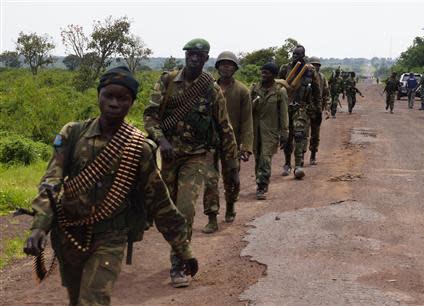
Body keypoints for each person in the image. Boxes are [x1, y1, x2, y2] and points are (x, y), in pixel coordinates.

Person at [23, 66, 198, 305]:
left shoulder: (138, 147)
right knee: (76, 298)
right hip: (69, 234)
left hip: (111, 236)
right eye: (109, 95)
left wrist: (183, 249)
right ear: (98, 96)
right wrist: (39, 227)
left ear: (132, 102)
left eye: (122, 98)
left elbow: (159, 202)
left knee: (93, 300)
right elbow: (51, 182)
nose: (114, 103)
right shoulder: (72, 133)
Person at [143, 38, 239, 287]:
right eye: (190, 54)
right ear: (185, 55)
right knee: (167, 212)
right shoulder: (167, 81)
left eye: (199, 55)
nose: (194, 58)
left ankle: (178, 265)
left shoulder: (211, 89)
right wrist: (161, 140)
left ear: (206, 58)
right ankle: (177, 247)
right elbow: (150, 117)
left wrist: (232, 165)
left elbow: (224, 128)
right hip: (169, 157)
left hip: (196, 157)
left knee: (185, 209)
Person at [202, 51, 253, 234]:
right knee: (210, 180)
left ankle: (230, 205)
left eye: (230, 64)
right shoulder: (207, 89)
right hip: (209, 142)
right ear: (217, 67)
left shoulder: (242, 91)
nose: (226, 67)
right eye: (223, 64)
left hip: (232, 142)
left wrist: (246, 146)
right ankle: (212, 217)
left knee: (232, 178)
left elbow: (248, 121)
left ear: (235, 68)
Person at [278, 45, 322, 178]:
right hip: (286, 107)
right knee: (287, 137)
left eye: (298, 55)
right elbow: (278, 86)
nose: (295, 57)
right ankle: (287, 164)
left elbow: (316, 91)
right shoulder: (285, 68)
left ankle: (298, 166)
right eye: (294, 54)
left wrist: (318, 110)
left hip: (301, 107)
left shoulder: (309, 71)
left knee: (298, 135)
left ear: (303, 55)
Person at [251, 62, 288, 200]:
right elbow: (247, 110)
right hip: (255, 130)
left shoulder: (280, 91)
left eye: (266, 73)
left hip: (271, 131)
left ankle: (262, 186)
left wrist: (284, 133)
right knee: (257, 158)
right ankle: (259, 181)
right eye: (262, 72)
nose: (263, 75)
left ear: (273, 75)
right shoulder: (255, 89)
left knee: (265, 159)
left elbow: (284, 114)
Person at [308, 56, 330, 165]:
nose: (315, 67)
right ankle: (300, 157)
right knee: (302, 134)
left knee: (315, 135)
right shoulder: (304, 77)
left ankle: (313, 156)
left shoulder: (322, 78)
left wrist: (327, 109)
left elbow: (326, 94)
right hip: (305, 110)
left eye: (317, 65)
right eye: (313, 65)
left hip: (317, 110)